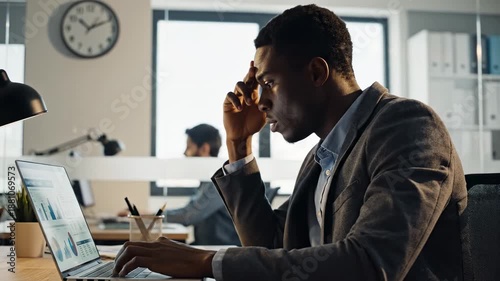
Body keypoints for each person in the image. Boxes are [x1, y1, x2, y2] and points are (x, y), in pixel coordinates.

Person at [113, 4, 468, 281]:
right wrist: (239, 146)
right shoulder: (320, 157)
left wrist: (208, 261)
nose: (260, 101)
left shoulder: (406, 125)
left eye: (268, 82)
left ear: (316, 72)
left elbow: (371, 264)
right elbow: (268, 246)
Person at [165, 124, 241, 246]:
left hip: (221, 250)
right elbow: (188, 209)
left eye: (189, 147)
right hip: (208, 247)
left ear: (204, 149)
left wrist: (152, 217)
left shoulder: (220, 181)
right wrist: (153, 215)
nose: (185, 153)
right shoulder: (206, 182)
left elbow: (188, 216)